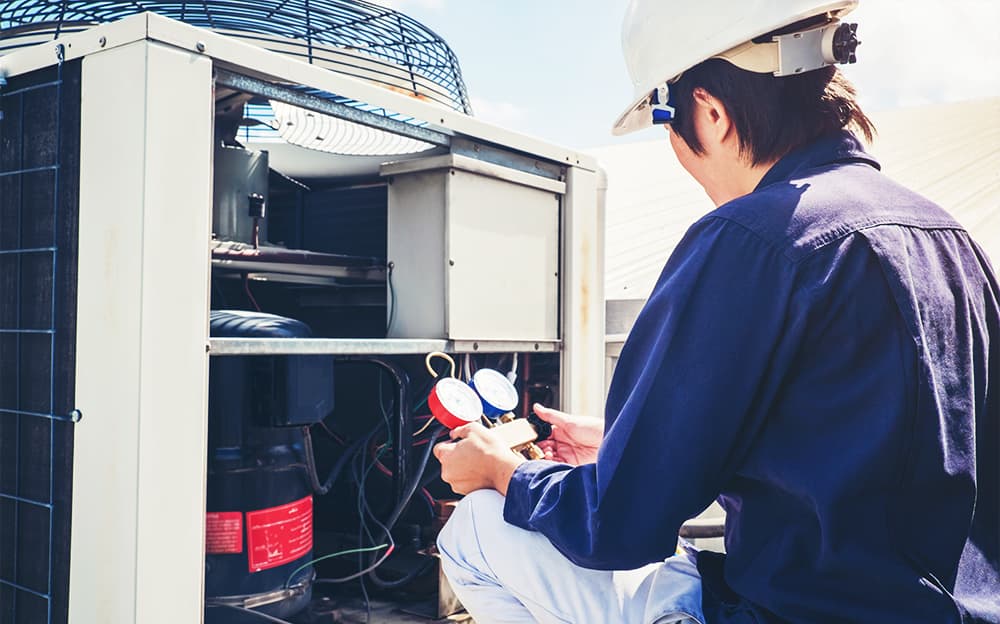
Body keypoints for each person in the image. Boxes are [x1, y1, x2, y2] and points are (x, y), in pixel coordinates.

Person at [432, 1, 1000, 622]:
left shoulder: (749, 238)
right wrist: (627, 444)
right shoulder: (950, 239)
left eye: (667, 125)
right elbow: (867, 447)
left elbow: (619, 524)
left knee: (476, 531)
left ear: (709, 112)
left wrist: (505, 472)